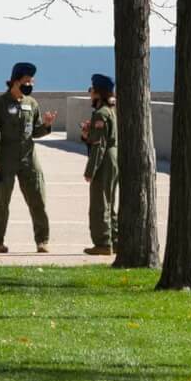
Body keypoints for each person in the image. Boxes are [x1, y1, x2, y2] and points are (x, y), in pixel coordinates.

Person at [0, 61, 57, 253]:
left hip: (28, 158)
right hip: (6, 158)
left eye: (32, 82)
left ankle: (42, 240)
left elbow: (35, 131)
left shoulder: (32, 104)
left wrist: (47, 126)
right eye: (26, 81)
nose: (29, 85)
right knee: (0, 202)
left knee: (38, 199)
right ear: (15, 81)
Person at [82, 72, 119, 257]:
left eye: (91, 90)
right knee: (110, 202)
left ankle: (103, 243)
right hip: (114, 157)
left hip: (104, 160)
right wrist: (86, 135)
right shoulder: (112, 110)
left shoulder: (101, 113)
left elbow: (99, 145)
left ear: (98, 92)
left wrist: (90, 170)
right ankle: (115, 240)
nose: (90, 94)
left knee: (99, 203)